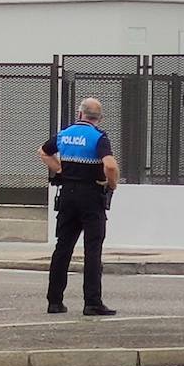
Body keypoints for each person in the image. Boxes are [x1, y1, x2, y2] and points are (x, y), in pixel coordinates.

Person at [40, 98, 119, 316]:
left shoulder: (64, 134)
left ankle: (54, 301)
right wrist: (112, 183)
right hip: (91, 197)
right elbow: (110, 165)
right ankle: (92, 302)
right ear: (99, 118)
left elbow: (43, 151)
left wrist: (61, 170)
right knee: (92, 250)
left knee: (63, 248)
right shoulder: (99, 138)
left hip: (67, 195)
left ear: (80, 114)